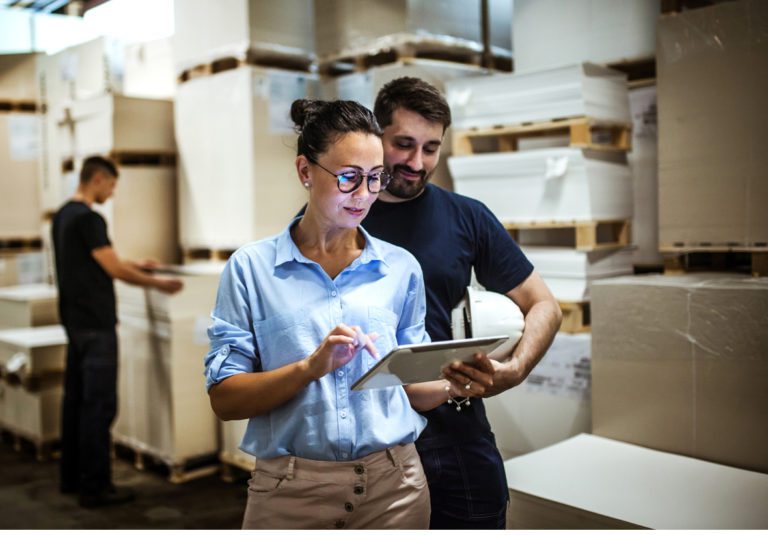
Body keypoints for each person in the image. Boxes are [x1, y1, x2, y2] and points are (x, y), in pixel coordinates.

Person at [204, 99, 494, 530]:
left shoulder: (400, 268)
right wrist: (309, 367)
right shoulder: (251, 270)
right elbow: (225, 399)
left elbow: (407, 388)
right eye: (348, 178)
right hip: (291, 493)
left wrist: (456, 381)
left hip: (395, 487)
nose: (364, 195)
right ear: (305, 171)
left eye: (376, 179)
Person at [362, 77, 563, 529]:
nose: (417, 162)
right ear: (377, 137)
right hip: (367, 438)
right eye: (404, 144)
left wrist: (514, 371)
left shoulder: (465, 216)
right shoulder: (338, 217)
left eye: (431, 148)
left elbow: (544, 305)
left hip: (453, 432)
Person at [52, 155, 183, 508]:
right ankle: (96, 487)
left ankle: (71, 478)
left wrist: (134, 263)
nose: (111, 192)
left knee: (75, 402)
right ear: (97, 179)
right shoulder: (90, 218)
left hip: (75, 324)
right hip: (96, 326)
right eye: (111, 184)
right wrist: (158, 284)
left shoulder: (64, 215)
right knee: (99, 406)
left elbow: (93, 260)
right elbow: (112, 269)